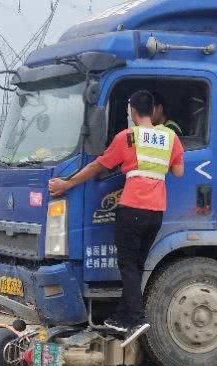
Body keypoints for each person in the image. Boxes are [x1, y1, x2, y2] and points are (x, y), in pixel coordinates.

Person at [48, 90, 185, 335]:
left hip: (132, 208)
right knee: (137, 265)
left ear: (132, 111)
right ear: (153, 110)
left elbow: (96, 166)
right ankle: (123, 315)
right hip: (156, 212)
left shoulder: (128, 137)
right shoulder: (170, 136)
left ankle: (136, 317)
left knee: (127, 264)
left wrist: (66, 184)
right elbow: (178, 172)